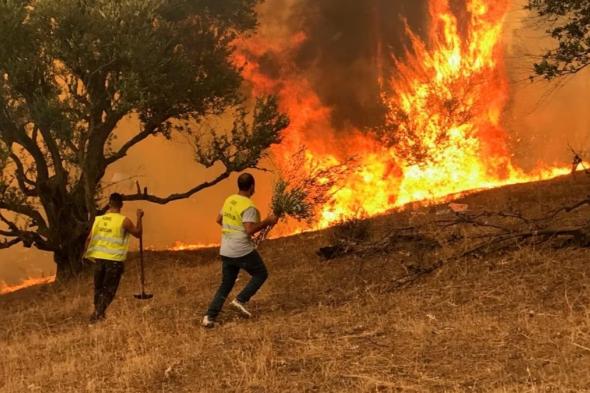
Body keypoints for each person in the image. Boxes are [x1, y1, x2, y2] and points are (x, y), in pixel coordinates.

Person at [202, 173, 278, 328]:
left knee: (226, 284)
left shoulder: (230, 200)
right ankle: (240, 300)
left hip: (226, 249)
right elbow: (250, 230)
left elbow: (219, 220)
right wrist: (268, 221)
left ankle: (209, 317)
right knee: (261, 273)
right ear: (252, 187)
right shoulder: (248, 206)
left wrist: (232, 230)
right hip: (241, 249)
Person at [84, 193, 143, 324]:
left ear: (109, 204)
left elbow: (89, 239)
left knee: (98, 288)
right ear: (121, 205)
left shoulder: (98, 220)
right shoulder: (124, 221)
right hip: (114, 261)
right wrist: (139, 217)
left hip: (99, 260)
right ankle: (97, 315)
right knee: (109, 289)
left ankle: (99, 313)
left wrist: (87, 256)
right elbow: (138, 233)